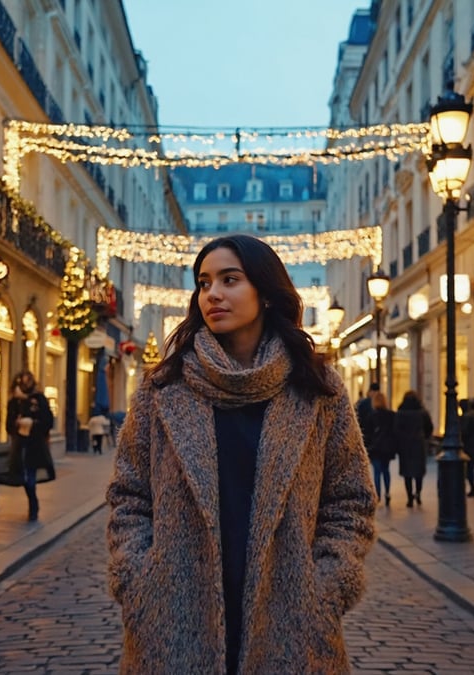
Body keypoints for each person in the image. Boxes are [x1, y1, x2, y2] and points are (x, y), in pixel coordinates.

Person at [105, 235, 377, 673]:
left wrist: (324, 589)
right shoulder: (164, 389)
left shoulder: (316, 389)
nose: (212, 293)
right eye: (204, 282)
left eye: (230, 279)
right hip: (172, 621)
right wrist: (138, 580)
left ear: (266, 293)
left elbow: (350, 500)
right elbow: (129, 495)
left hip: (290, 622)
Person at [6, 371, 55, 522]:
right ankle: (33, 502)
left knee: (30, 476)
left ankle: (33, 506)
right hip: (19, 445)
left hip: (34, 445)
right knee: (23, 477)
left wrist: (33, 424)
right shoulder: (14, 402)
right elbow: (8, 425)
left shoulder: (39, 399)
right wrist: (16, 424)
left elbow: (48, 421)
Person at [393, 390, 433, 507]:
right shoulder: (422, 413)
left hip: (405, 446)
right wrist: (424, 437)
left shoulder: (400, 413)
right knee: (418, 472)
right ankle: (418, 493)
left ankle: (410, 497)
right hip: (418, 444)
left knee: (407, 473)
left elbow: (396, 429)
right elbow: (429, 427)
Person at [367, 390, 397, 507]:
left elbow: (368, 434)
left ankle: (378, 495)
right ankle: (388, 493)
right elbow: (394, 432)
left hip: (375, 448)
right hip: (387, 448)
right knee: (386, 471)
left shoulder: (371, 416)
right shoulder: (391, 415)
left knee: (377, 472)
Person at [355, 381, 380, 450]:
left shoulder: (363, 403)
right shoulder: (380, 403)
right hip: (375, 435)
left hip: (366, 434)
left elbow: (359, 418)